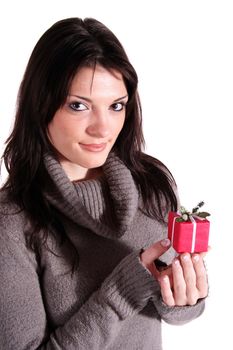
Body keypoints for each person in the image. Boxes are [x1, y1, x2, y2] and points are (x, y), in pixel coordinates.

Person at [0, 17, 208, 350]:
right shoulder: (12, 221)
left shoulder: (152, 185)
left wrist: (184, 298)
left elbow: (175, 313)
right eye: (79, 105)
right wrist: (123, 291)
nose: (103, 128)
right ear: (41, 107)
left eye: (116, 106)